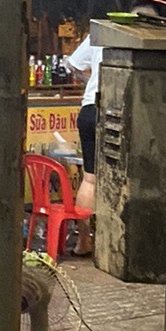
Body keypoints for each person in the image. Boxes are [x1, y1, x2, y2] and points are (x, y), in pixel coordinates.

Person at [67, 26, 102, 209]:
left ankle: (85, 229)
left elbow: (73, 64)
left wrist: (92, 82)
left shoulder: (101, 31)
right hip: (110, 111)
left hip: (88, 109)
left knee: (90, 179)